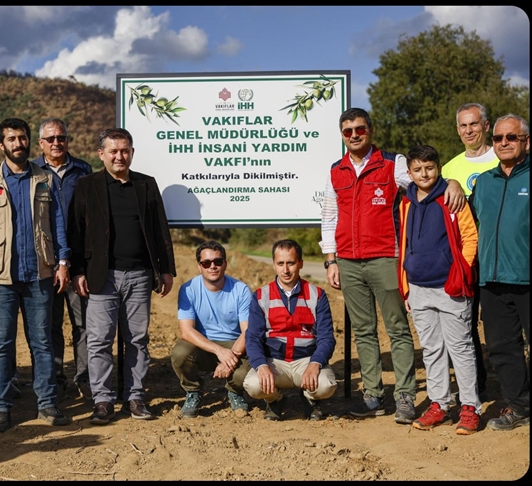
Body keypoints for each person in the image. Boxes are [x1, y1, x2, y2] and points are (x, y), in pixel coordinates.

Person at [319, 107, 464, 424]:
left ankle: (405, 397)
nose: (354, 135)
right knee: (363, 331)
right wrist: (330, 259)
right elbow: (329, 218)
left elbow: (423, 178)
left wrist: (451, 182)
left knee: (398, 329)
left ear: (369, 130)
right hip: (347, 261)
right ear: (342, 135)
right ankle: (372, 395)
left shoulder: (391, 163)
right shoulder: (336, 171)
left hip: (385, 257)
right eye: (348, 131)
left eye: (360, 129)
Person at [68, 127, 176, 425]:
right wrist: (77, 271)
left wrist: (165, 269)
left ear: (132, 152)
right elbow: (75, 233)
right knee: (99, 340)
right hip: (102, 276)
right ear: (101, 154)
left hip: (140, 275)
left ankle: (136, 397)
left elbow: (160, 230)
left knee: (138, 339)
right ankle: (103, 400)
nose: (120, 156)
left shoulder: (146, 185)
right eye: (113, 151)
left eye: (125, 150)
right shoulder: (86, 186)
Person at [0, 118, 72, 431]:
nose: (18, 143)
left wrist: (63, 262)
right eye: (11, 139)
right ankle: (1, 409)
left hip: (39, 273)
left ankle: (47, 405)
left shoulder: (44, 179)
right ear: (1, 145)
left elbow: (57, 224)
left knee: (41, 342)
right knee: (0, 345)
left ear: (29, 142)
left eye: (22, 138)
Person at [398, 144, 480, 435]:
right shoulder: (406, 202)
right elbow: (405, 242)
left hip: (450, 287)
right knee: (432, 350)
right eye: (417, 169)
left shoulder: (451, 197)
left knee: (461, 348)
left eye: (429, 167)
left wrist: (462, 271)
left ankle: (470, 407)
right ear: (409, 173)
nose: (424, 174)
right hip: (418, 287)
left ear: (439, 167)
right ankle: (440, 404)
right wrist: (406, 285)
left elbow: (470, 237)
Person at [469, 114, 532, 431]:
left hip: (527, 279)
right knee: (502, 348)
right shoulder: (484, 183)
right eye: (498, 138)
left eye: (511, 137)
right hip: (491, 281)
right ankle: (520, 407)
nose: (504, 143)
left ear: (526, 142)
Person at [441, 102, 499, 402]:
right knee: (465, 325)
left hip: (497, 255)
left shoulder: (500, 156)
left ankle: (514, 385)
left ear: (486, 126)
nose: (468, 130)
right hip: (463, 260)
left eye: (474, 124)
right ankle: (477, 383)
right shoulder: (449, 169)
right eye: (463, 126)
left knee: (497, 324)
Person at [32, 118, 93, 399]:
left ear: (68, 140)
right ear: (41, 143)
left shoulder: (83, 170)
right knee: (49, 324)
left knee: (82, 323)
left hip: (78, 262)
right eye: (51, 138)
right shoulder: (32, 172)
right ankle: (55, 378)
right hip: (45, 262)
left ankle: (84, 378)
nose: (57, 143)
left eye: (61, 137)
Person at [243, 239, 336, 421]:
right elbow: (253, 337)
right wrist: (261, 366)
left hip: (306, 361)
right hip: (275, 362)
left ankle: (310, 398)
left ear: (300, 263)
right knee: (253, 385)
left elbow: (327, 337)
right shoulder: (261, 295)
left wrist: (315, 363)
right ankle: (275, 399)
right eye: (280, 264)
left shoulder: (317, 294)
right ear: (274, 265)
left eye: (291, 263)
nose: (285, 270)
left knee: (326, 385)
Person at [172, 240, 251, 418]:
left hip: (234, 345)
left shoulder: (241, 290)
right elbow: (186, 331)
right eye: (206, 263)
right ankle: (193, 391)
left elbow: (248, 331)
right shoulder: (188, 290)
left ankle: (234, 392)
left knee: (246, 370)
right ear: (199, 266)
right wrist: (219, 351)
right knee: (180, 353)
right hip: (203, 345)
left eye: (218, 261)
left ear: (225, 264)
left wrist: (228, 357)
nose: (212, 266)